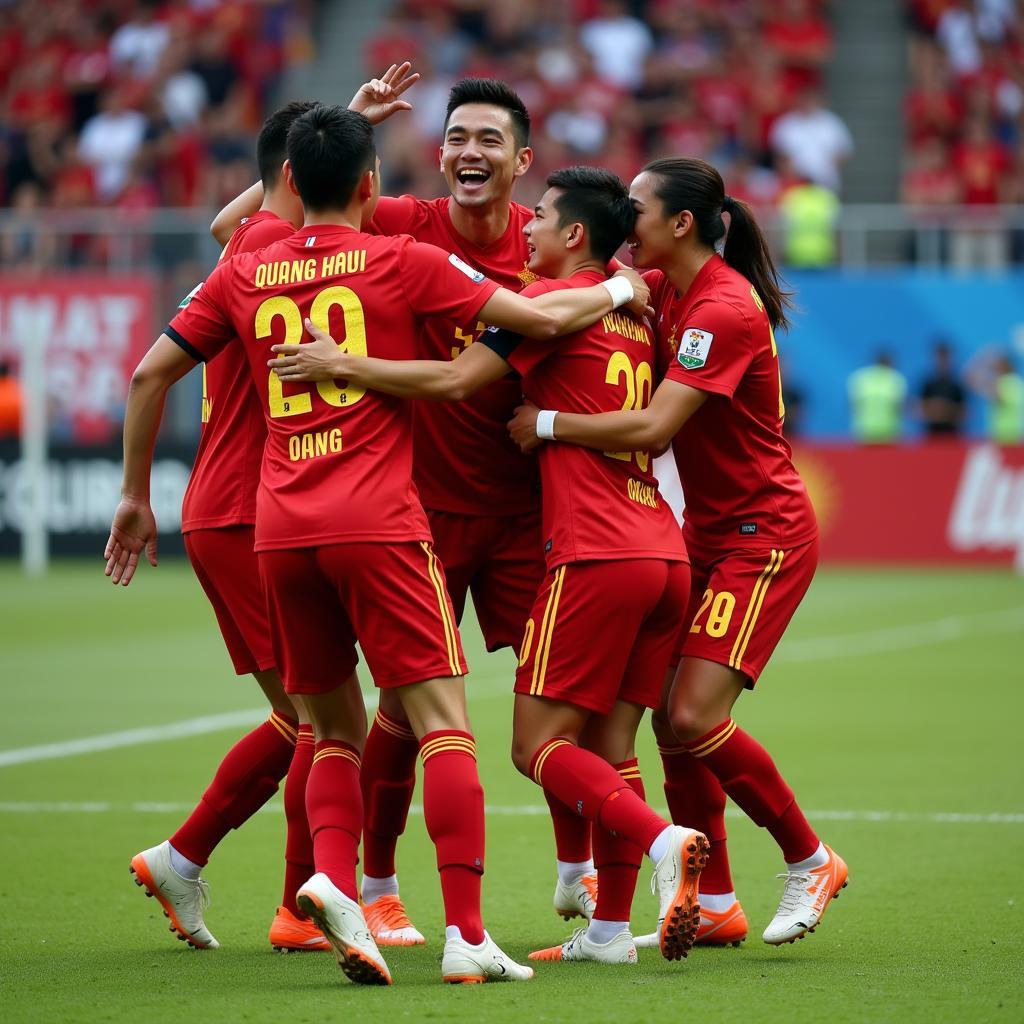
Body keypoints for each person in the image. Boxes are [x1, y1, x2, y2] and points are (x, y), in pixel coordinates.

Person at [104, 104, 651, 985]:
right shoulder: (407, 256)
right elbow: (537, 326)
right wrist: (625, 287)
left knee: (327, 728)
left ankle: (327, 887)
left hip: (280, 524)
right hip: (384, 520)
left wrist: (134, 496)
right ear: (373, 185)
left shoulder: (247, 265)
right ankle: (466, 934)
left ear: (285, 184)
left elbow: (149, 369)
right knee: (445, 726)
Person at [269, 165, 710, 966]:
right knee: (612, 747)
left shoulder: (542, 308)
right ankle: (609, 931)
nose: (526, 231)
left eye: (539, 218)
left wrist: (346, 365)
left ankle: (656, 842)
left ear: (573, 234)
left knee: (531, 746)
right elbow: (646, 418)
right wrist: (620, 288)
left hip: (593, 552)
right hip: (662, 549)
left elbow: (450, 380)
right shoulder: (640, 320)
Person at [212, 74, 603, 943]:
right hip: (412, 512)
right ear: (432, 157)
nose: (470, 151)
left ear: (522, 163)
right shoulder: (405, 227)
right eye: (457, 136)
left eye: (489, 140)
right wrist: (341, 128)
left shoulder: (548, 248)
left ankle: (580, 883)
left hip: (521, 515)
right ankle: (380, 890)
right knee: (401, 715)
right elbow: (256, 218)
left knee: (561, 701)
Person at [509, 157, 849, 949]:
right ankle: (719, 894)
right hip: (695, 533)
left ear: (681, 223)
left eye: (638, 209)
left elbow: (657, 427)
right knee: (662, 717)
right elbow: (599, 290)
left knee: (693, 714)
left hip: (761, 534)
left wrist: (547, 425)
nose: (627, 223)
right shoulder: (661, 289)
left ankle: (809, 856)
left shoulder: (721, 309)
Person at [125, 72, 421, 955]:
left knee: (314, 719)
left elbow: (225, 223)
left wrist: (343, 126)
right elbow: (154, 364)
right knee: (331, 724)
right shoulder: (282, 245)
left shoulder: (255, 239)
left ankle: (215, 869)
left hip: (253, 506)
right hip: (251, 507)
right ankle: (297, 903)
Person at [966, 349, 1024, 443]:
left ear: (1006, 365)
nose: (997, 368)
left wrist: (981, 374)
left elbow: (997, 397)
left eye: (999, 365)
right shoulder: (1003, 382)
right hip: (1000, 435)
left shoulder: (1012, 382)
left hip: (1011, 436)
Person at [848, 351, 907, 443]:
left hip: (864, 430)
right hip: (890, 431)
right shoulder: (895, 379)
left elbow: (852, 405)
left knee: (865, 457)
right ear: (890, 363)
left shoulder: (860, 378)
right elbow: (901, 407)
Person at [918, 340, 966, 437]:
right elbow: (919, 410)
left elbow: (964, 413)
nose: (942, 361)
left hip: (952, 437)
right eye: (940, 357)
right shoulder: (928, 384)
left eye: (945, 357)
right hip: (932, 437)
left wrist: (947, 409)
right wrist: (934, 409)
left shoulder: (956, 385)